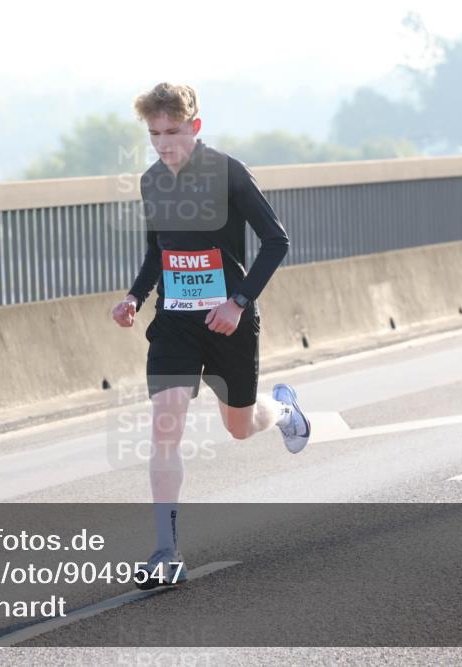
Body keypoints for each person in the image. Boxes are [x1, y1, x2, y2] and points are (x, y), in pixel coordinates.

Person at [111, 82, 312, 590]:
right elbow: (159, 248)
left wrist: (238, 302)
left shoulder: (228, 173)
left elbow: (276, 240)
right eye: (154, 133)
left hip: (228, 323)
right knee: (165, 423)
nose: (163, 143)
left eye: (173, 132)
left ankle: (285, 410)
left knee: (239, 428)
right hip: (176, 323)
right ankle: (165, 551)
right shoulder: (152, 180)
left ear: (194, 127)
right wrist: (136, 296)